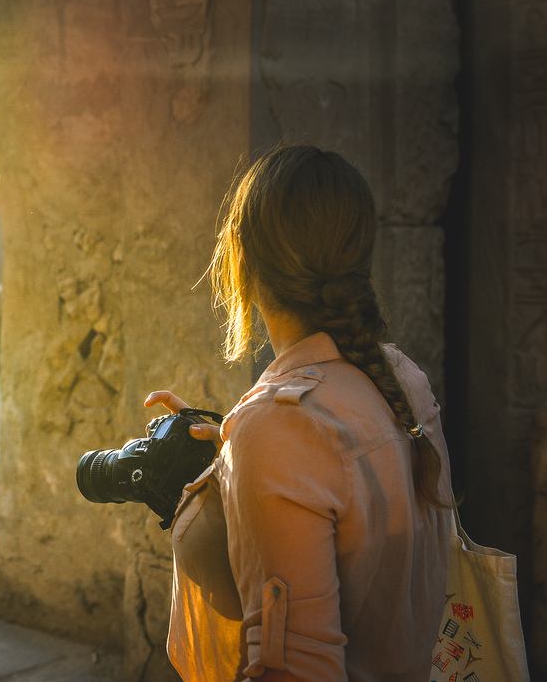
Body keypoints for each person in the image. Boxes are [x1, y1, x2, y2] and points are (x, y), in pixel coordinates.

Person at [144, 145, 455, 681]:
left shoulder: (280, 427)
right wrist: (234, 459)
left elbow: (296, 670)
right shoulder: (402, 378)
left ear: (240, 259)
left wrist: (261, 446)